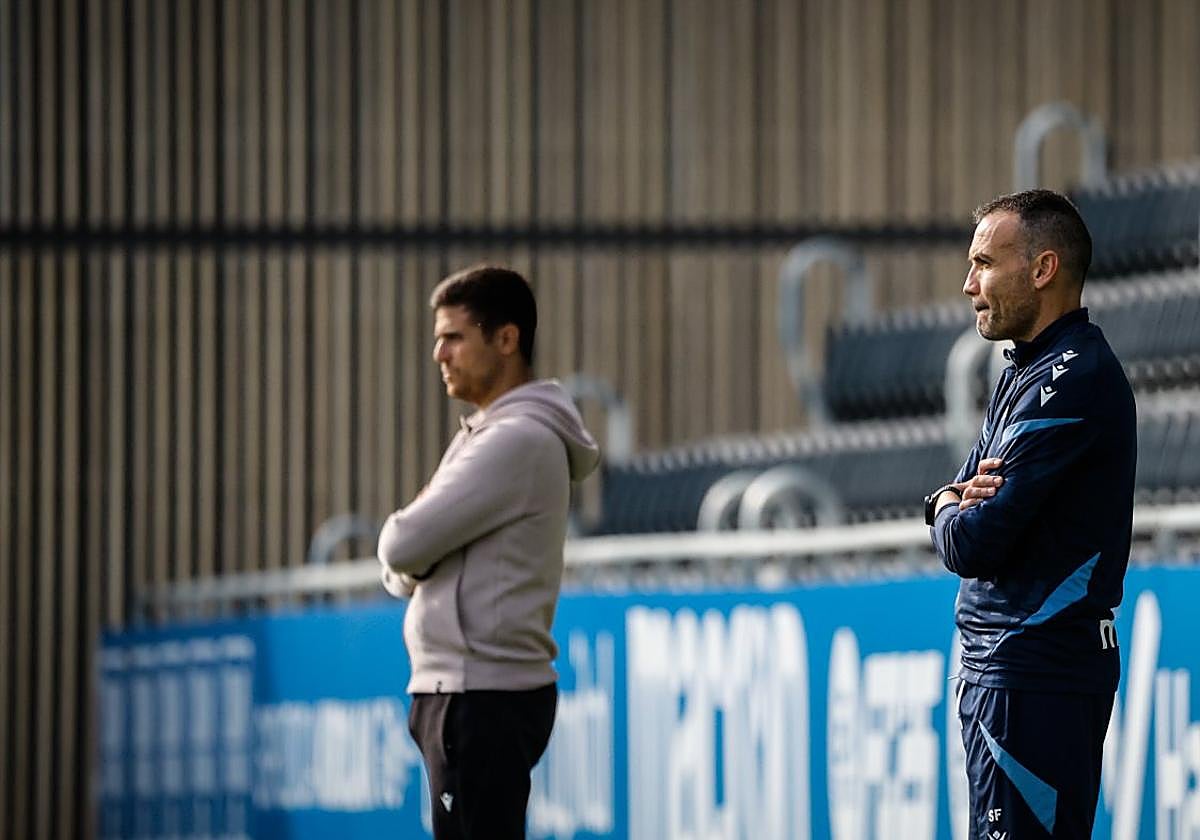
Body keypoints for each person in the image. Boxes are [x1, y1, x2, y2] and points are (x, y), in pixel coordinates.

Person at [925, 190, 1136, 838]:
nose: (969, 284)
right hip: (1011, 670)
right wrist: (946, 502)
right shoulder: (1026, 368)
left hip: (1033, 673)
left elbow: (975, 539)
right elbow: (958, 495)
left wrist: (946, 509)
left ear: (1042, 269)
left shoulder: (1072, 381)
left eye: (985, 263)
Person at [376, 265, 601, 840]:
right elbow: (404, 566)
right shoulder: (484, 433)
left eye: (453, 337)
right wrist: (414, 557)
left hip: (479, 695)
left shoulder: (514, 439)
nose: (438, 354)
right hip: (466, 693)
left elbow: (401, 543)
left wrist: (415, 556)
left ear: (507, 339)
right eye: (437, 338)